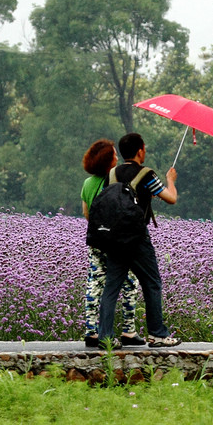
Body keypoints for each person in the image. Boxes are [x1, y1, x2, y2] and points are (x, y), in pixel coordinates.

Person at [97, 133, 182, 348]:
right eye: (144, 148)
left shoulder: (112, 173)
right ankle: (157, 334)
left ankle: (105, 337)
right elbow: (171, 199)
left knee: (111, 287)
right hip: (137, 238)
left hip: (114, 237)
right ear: (139, 151)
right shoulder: (146, 174)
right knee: (152, 283)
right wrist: (170, 180)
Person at [80, 139, 145, 348]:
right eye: (114, 155)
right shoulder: (114, 180)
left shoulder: (87, 184)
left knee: (94, 283)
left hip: (97, 239)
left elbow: (87, 213)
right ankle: (128, 331)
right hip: (118, 241)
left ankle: (91, 331)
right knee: (129, 282)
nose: (117, 158)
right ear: (108, 161)